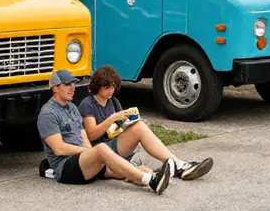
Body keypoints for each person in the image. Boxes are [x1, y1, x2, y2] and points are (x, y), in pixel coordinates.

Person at [36, 69, 172, 194]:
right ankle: (152, 181)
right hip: (66, 168)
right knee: (101, 149)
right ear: (55, 88)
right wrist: (89, 152)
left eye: (73, 83)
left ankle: (155, 176)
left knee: (135, 169)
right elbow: (59, 149)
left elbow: (84, 137)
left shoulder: (72, 107)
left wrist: (90, 152)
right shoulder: (48, 113)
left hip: (84, 161)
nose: (72, 88)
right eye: (67, 84)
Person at [78, 66, 213, 180]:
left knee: (139, 126)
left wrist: (130, 121)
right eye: (107, 87)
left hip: (114, 143)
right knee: (139, 131)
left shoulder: (113, 102)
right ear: (98, 86)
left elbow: (120, 128)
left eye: (113, 87)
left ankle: (173, 165)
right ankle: (174, 166)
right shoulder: (88, 104)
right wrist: (112, 118)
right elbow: (91, 135)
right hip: (100, 151)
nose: (111, 90)